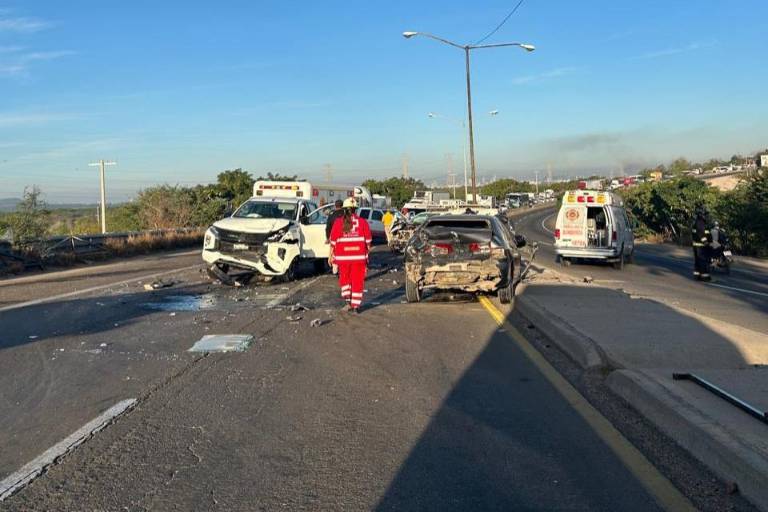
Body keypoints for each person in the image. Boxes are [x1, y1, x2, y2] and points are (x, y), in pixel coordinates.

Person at [329, 198, 372, 313]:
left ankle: (348, 302)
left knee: (345, 280)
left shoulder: (339, 222)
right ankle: (356, 306)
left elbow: (333, 241)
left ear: (344, 210)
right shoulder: (362, 222)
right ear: (355, 210)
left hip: (343, 258)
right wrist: (367, 255)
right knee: (357, 281)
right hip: (359, 258)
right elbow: (368, 241)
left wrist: (330, 256)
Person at [691, 208, 712, 281]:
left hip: (697, 245)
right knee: (703, 261)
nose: (707, 216)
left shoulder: (698, 222)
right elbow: (701, 234)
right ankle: (705, 277)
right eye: (706, 214)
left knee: (698, 261)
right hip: (701, 246)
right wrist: (706, 242)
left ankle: (697, 276)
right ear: (701, 215)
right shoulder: (700, 222)